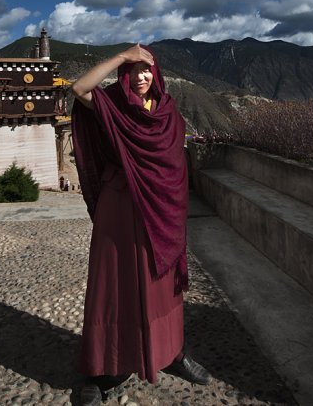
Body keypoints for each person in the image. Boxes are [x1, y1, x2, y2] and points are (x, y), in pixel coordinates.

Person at [71, 44, 210, 406]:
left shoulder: (167, 111)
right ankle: (101, 371)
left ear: (157, 73)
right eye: (132, 71)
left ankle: (172, 351)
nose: (141, 77)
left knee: (161, 285)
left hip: (162, 213)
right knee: (113, 287)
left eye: (147, 70)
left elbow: (173, 162)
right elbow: (79, 89)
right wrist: (121, 55)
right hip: (119, 207)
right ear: (124, 75)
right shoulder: (114, 106)